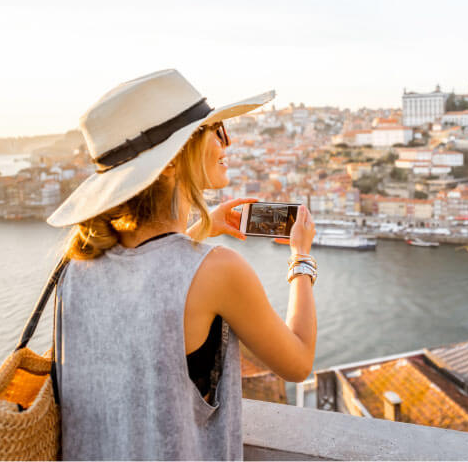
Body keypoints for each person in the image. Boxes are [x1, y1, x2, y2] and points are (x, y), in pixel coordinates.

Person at [47, 69, 317, 460]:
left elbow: (152, 285)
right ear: (173, 161)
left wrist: (200, 231)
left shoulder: (76, 265)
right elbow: (298, 362)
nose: (229, 140)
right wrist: (301, 258)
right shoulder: (219, 271)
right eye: (216, 129)